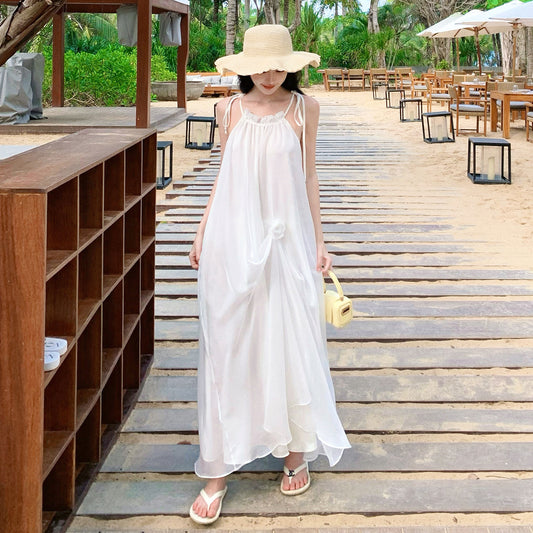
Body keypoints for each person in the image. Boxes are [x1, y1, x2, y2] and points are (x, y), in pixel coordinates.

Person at [188, 24, 350, 525]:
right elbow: (224, 173)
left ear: (292, 66)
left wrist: (321, 243)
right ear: (244, 68)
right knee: (229, 338)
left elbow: (309, 175)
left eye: (278, 65)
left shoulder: (305, 109)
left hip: (287, 241)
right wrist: (201, 228)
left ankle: (295, 450)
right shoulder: (228, 110)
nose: (268, 74)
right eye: (259, 66)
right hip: (232, 239)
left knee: (289, 335)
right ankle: (216, 472)